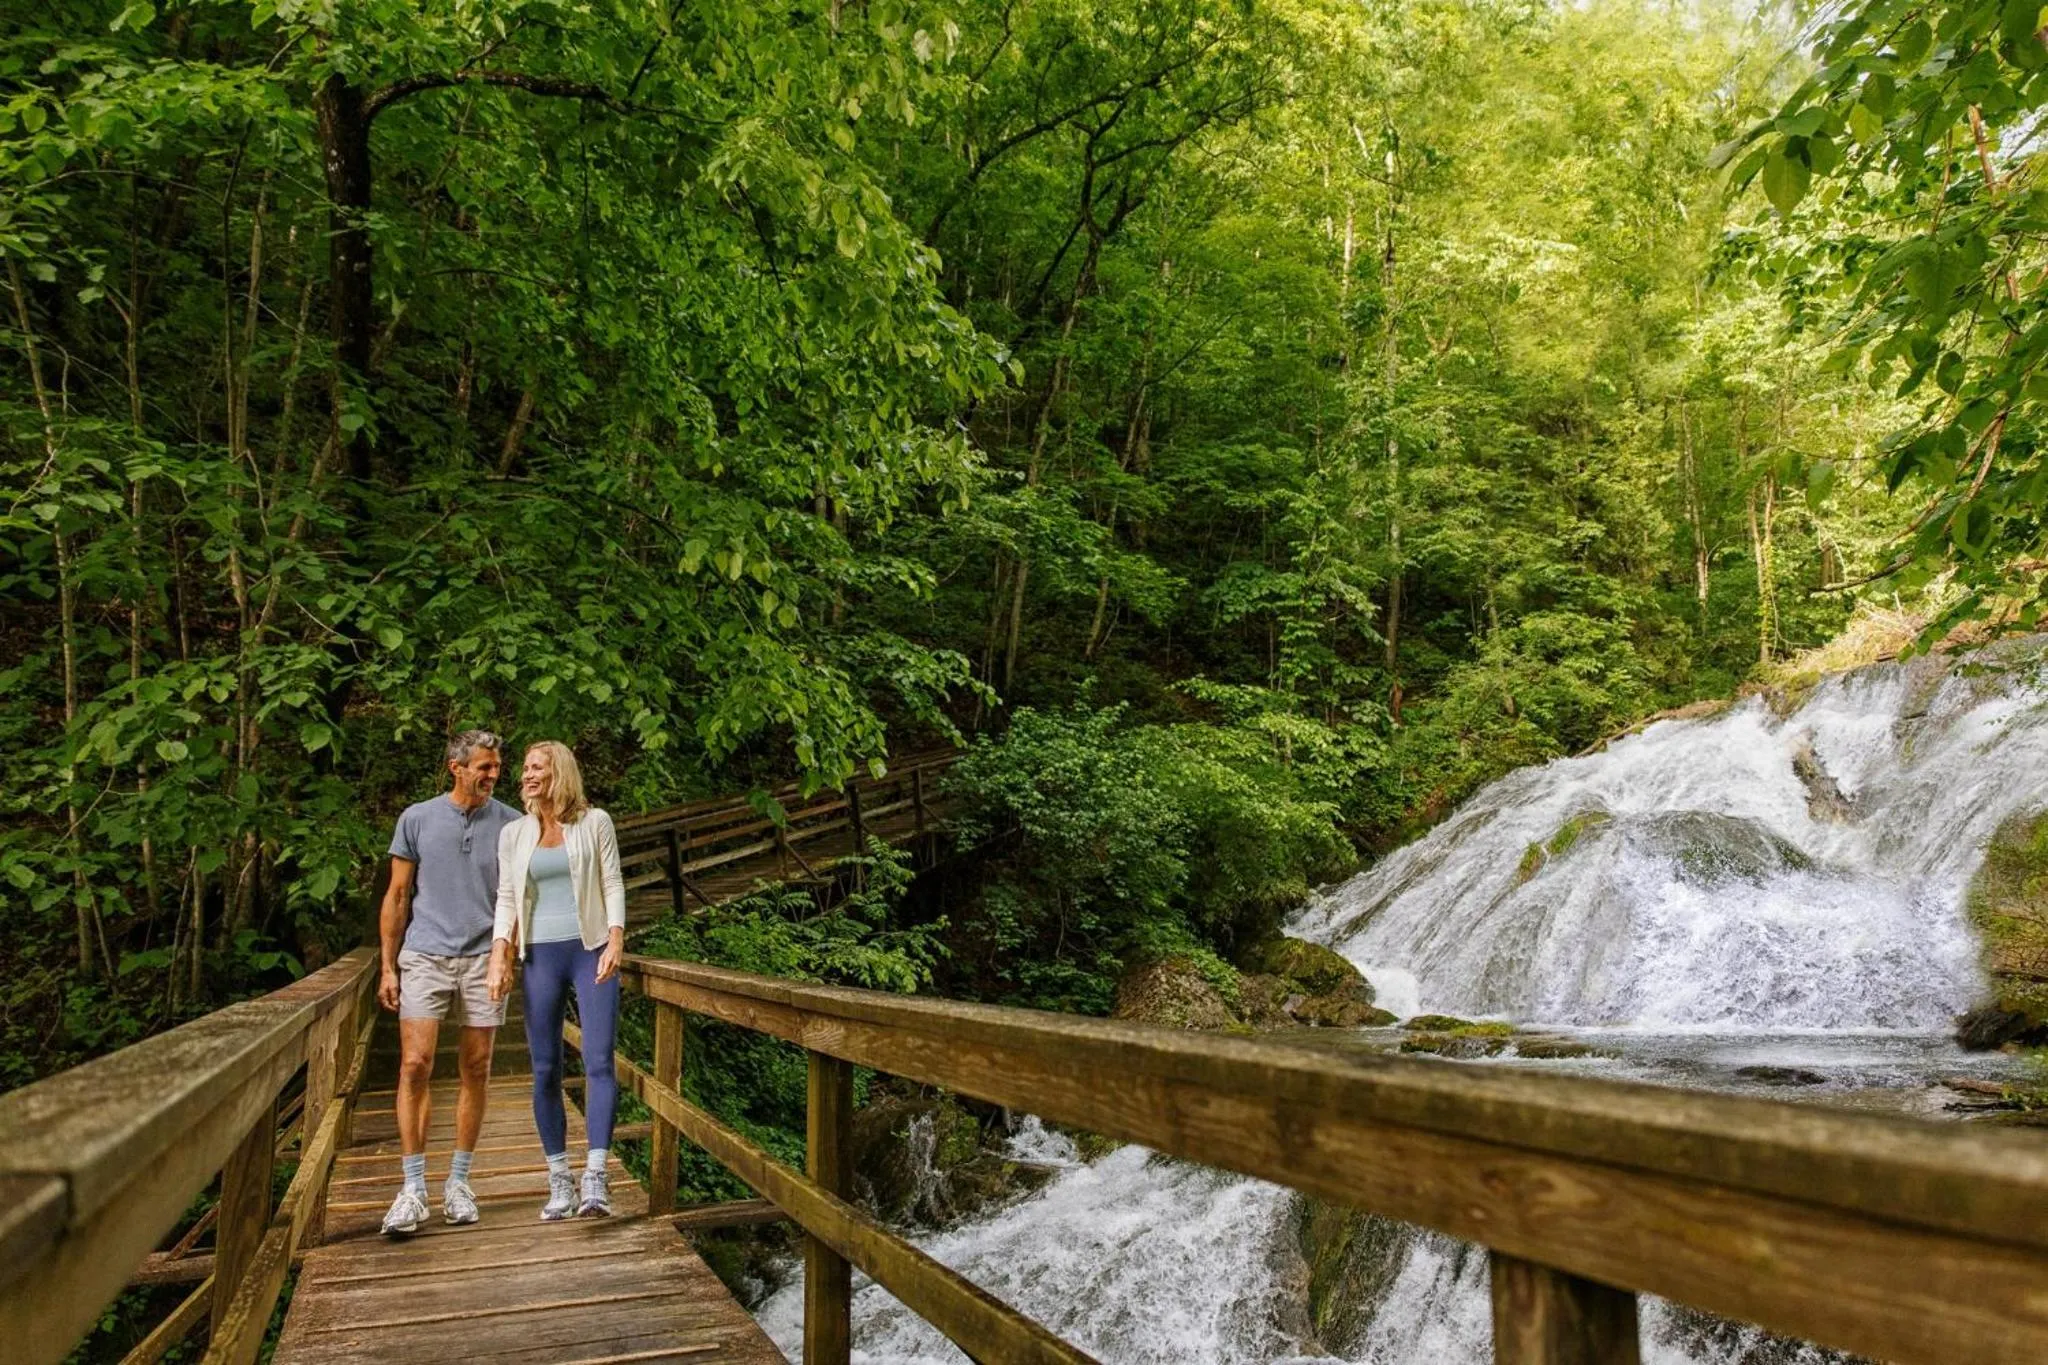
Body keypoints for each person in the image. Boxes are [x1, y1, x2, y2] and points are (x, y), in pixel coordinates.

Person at [377, 729, 521, 1237]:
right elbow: (397, 896)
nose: (492, 775)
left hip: (485, 957)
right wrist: (387, 965)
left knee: (476, 1067)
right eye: (483, 766)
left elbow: (518, 897)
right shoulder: (416, 818)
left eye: (497, 767)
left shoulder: (512, 824)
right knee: (415, 1063)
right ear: (455, 767)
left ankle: (459, 1182)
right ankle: (412, 1188)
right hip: (424, 954)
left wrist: (507, 954)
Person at [487, 740, 627, 1220]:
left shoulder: (595, 823)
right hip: (539, 956)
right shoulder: (515, 834)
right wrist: (499, 953)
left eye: (536, 767)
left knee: (598, 1059)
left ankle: (595, 1177)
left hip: (589, 951)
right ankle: (559, 1180)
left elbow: (612, 882)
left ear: (559, 773)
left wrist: (615, 939)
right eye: (525, 768)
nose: (526, 775)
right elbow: (507, 896)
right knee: (545, 1067)